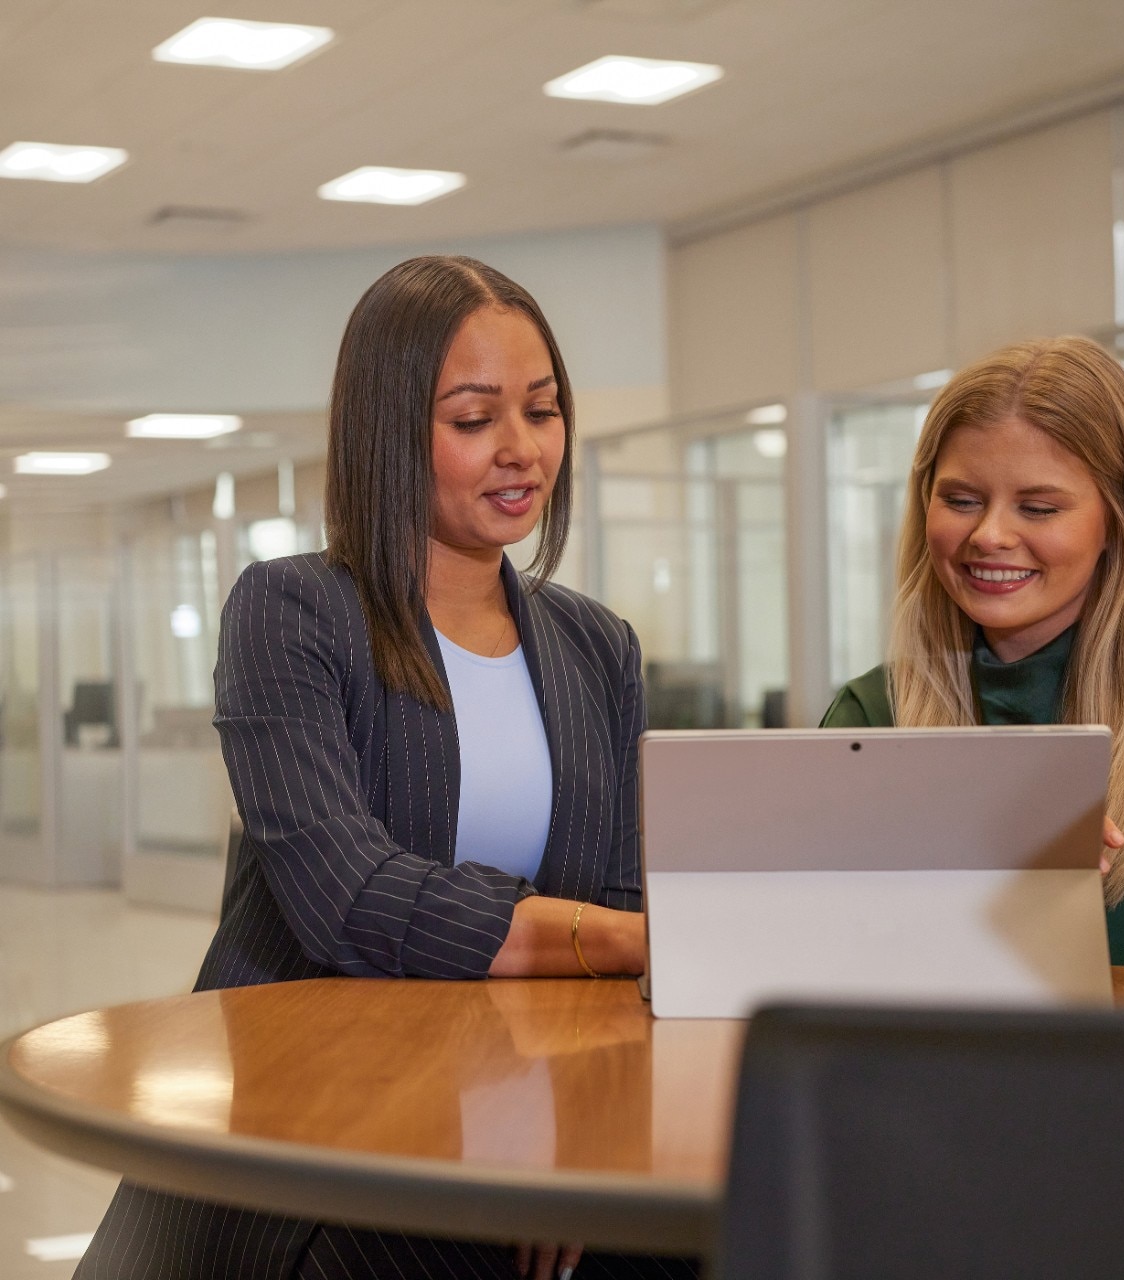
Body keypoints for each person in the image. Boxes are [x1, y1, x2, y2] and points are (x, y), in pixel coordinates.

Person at [76, 257, 696, 1279]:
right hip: (311, 1115)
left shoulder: (597, 647)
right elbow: (348, 897)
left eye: (541, 412)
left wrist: (576, 1135)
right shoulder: (290, 613)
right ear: (387, 427)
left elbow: (617, 899)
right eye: (471, 418)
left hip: (519, 1107)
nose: (521, 449)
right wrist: (623, 937)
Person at [823, 335, 1124, 969]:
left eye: (1038, 508)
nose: (990, 536)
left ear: (1119, 521)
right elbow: (831, 976)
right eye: (960, 501)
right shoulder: (873, 714)